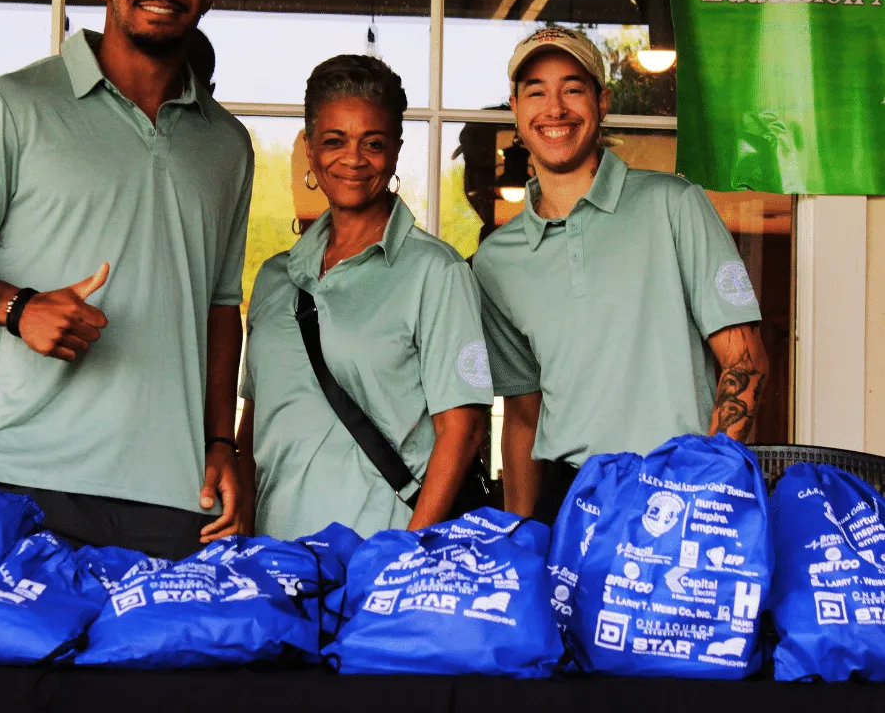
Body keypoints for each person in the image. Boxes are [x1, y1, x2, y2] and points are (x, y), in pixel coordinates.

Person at [0, 0, 254, 559]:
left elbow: (220, 305)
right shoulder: (12, 105)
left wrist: (220, 442)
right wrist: (16, 307)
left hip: (173, 492)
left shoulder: (227, 144)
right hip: (24, 477)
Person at [472, 26, 770, 525]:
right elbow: (523, 415)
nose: (555, 108)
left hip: (681, 484)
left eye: (572, 88)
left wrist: (709, 490)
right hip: (569, 499)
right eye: (536, 92)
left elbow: (746, 360)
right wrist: (518, 536)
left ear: (602, 100)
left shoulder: (673, 204)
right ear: (516, 109)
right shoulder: (496, 261)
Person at [237, 55, 493, 539]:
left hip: (382, 559)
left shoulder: (436, 272)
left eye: (372, 143)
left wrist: (402, 557)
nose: (352, 159)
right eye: (334, 141)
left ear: (395, 152)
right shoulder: (276, 278)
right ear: (310, 150)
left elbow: (462, 432)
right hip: (275, 560)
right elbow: (253, 429)